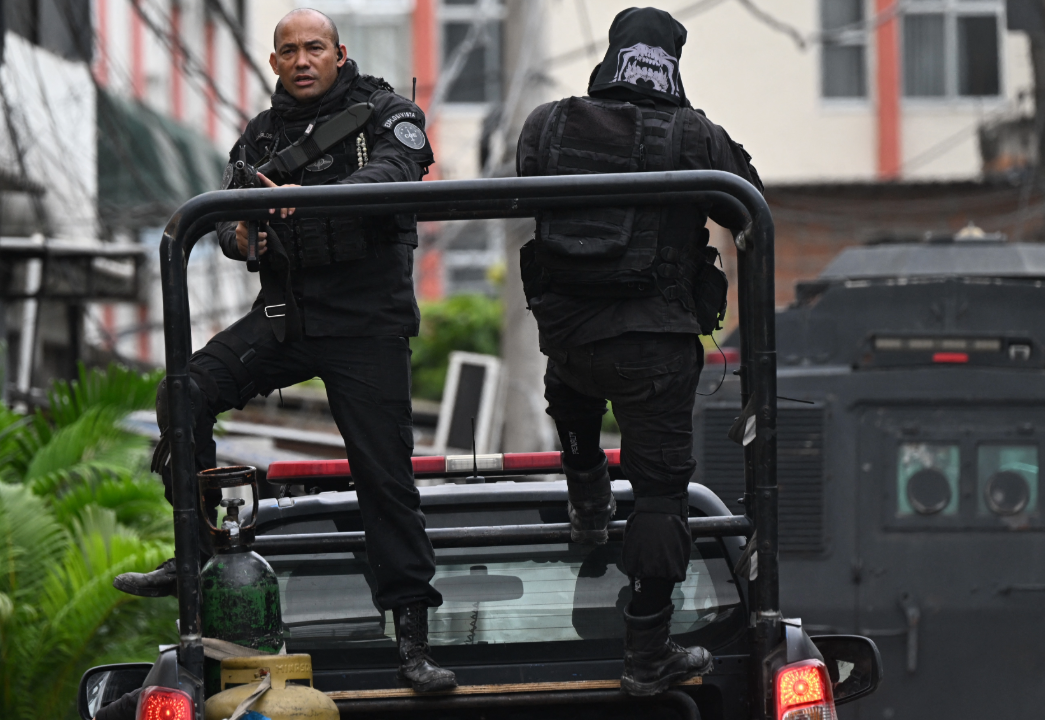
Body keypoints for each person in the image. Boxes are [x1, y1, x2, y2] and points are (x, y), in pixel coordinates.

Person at [114, 8, 455, 693]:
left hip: (365, 325)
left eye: (315, 48)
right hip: (283, 318)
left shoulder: (385, 111)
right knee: (184, 391)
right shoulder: (261, 134)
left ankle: (413, 644)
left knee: (384, 480)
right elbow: (230, 229)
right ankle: (193, 557)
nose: (302, 60)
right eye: (289, 51)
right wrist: (247, 235)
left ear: (339, 52)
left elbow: (397, 170)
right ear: (274, 63)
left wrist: (312, 199)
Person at [514, 6, 762, 698]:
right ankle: (646, 647)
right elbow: (751, 201)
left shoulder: (549, 121)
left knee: (571, 389)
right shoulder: (692, 133)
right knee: (660, 494)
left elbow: (526, 187)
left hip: (568, 342)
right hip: (652, 347)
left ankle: (587, 492)